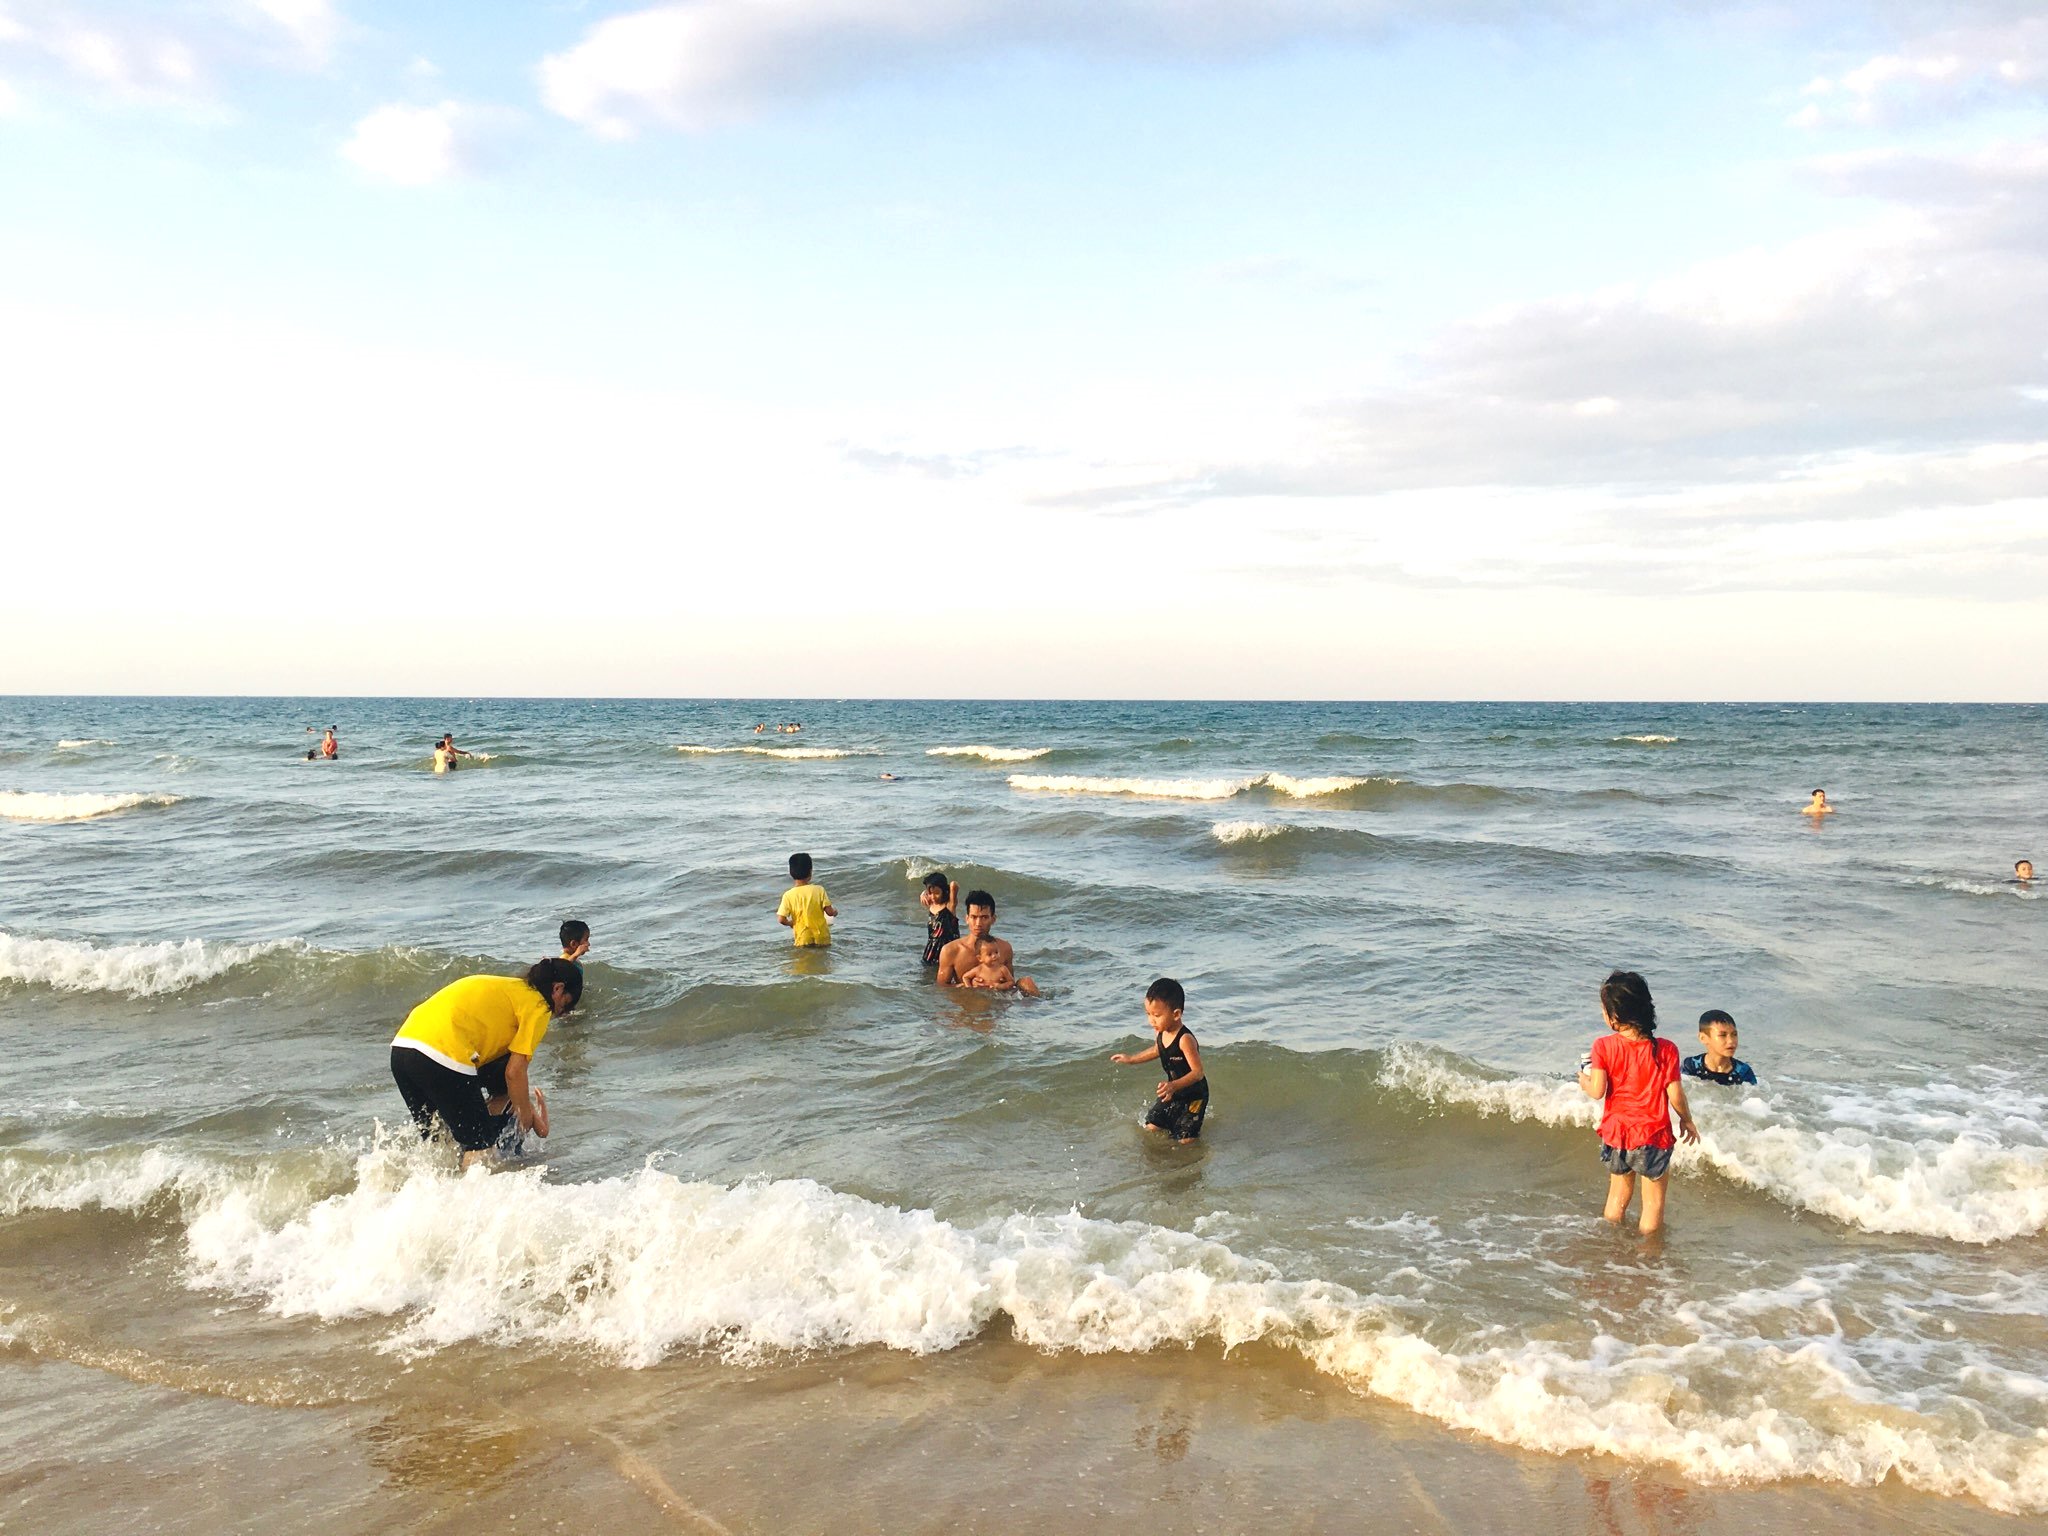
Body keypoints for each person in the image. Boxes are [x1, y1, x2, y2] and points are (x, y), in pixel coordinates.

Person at [389, 959, 583, 1169]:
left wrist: (526, 1108)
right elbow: (514, 1072)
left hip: (403, 1048)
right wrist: (525, 1118)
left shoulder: (508, 990)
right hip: (443, 1053)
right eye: (564, 1005)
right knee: (480, 1147)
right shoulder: (538, 1005)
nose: (560, 1014)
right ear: (557, 988)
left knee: (440, 1142)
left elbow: (508, 1075)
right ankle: (468, 1199)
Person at [1577, 970, 1699, 1235]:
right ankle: (1649, 1258)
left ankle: (1612, 1248)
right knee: (1653, 1204)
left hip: (1617, 1133)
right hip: (1653, 1135)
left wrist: (1582, 1080)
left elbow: (1597, 1091)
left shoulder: (1603, 1046)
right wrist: (1687, 1120)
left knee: (1617, 1196)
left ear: (1614, 1017)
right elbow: (1675, 1094)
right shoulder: (1666, 1049)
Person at [1111, 977, 1209, 1142]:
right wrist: (1132, 1059)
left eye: (1156, 1015)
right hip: (1174, 1091)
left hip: (1194, 1095)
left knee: (1185, 1139)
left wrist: (1173, 1085)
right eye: (1148, 1014)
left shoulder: (1185, 1039)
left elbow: (1198, 1073)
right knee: (1152, 1126)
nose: (1151, 1020)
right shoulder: (1161, 1032)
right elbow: (1158, 1049)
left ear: (1176, 1014)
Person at [936, 890, 1039, 994]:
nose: (978, 923)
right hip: (969, 1003)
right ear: (967, 919)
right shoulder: (951, 950)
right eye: (974, 917)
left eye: (984, 917)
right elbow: (941, 987)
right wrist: (966, 986)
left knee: (1027, 981)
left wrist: (997, 985)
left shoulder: (1004, 948)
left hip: (995, 1000)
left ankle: (1043, 1008)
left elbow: (1010, 984)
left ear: (993, 919)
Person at [1682, 1009, 1757, 1086]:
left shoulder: (1743, 1072)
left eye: (1734, 1034)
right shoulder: (1691, 1066)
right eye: (1723, 1035)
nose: (1731, 1041)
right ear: (1703, 1038)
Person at [777, 852, 836, 946]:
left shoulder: (788, 895)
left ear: (791, 872)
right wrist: (835, 912)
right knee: (822, 959)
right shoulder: (819, 890)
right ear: (810, 871)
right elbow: (829, 912)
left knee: (804, 959)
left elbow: (781, 919)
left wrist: (791, 923)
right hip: (822, 937)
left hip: (803, 938)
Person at [920, 873, 960, 968]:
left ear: (944, 891)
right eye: (930, 893)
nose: (933, 897)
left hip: (948, 948)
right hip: (932, 948)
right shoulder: (931, 905)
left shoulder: (950, 906)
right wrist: (924, 893)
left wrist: (946, 888)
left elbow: (954, 885)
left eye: (937, 893)